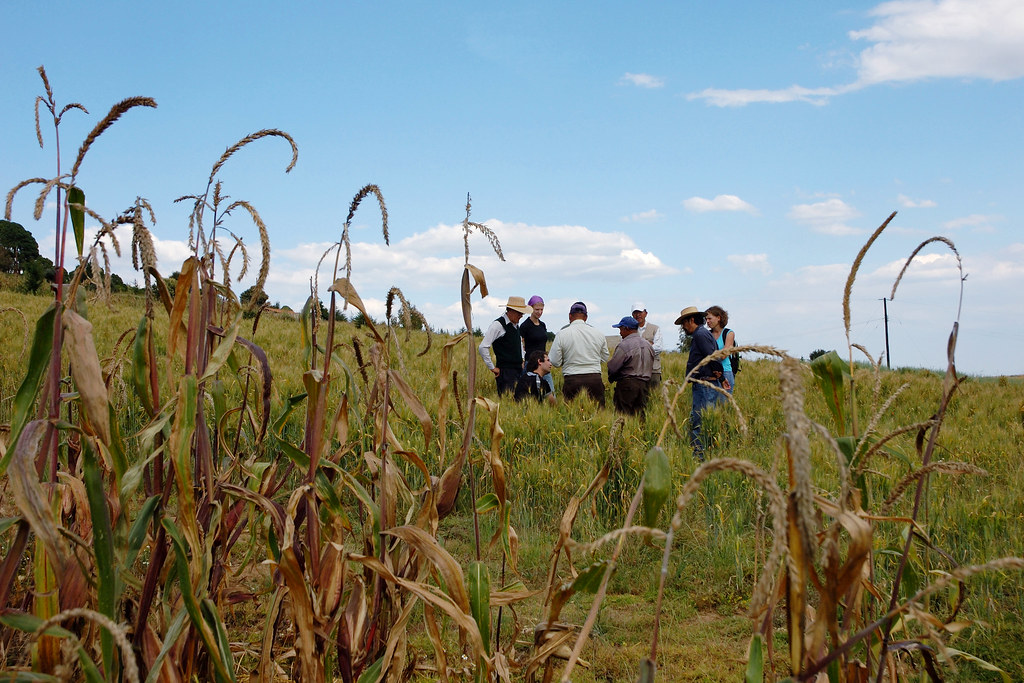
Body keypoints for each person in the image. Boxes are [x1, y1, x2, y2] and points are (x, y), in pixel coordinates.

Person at [675, 305, 725, 460]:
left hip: (705, 386)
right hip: (704, 385)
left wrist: (720, 376)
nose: (683, 327)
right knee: (701, 421)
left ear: (691, 320)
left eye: (684, 323)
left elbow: (712, 357)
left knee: (700, 422)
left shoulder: (700, 335)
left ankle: (699, 457)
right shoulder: (702, 334)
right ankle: (703, 455)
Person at [548, 301, 609, 406]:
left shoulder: (561, 334)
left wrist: (566, 361)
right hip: (594, 379)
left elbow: (554, 361)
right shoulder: (598, 334)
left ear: (570, 316)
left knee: (572, 413)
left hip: (572, 379)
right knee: (597, 412)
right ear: (586, 317)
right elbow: (605, 357)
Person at [478, 296, 531, 396]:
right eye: (519, 313)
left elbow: (519, 343)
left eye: (522, 313)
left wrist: (522, 359)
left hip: (518, 370)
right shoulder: (498, 325)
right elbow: (483, 347)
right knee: (507, 399)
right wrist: (492, 368)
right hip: (506, 372)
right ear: (510, 310)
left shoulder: (516, 325)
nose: (521, 316)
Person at [607, 316, 655, 415]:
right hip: (644, 385)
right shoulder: (648, 345)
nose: (620, 333)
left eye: (621, 329)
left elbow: (613, 368)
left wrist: (612, 378)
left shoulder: (624, 345)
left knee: (623, 415)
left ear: (627, 328)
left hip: (627, 386)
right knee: (640, 416)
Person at [520, 295, 554, 395]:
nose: (539, 312)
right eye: (537, 309)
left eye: (541, 309)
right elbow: (521, 344)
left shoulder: (543, 325)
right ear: (531, 308)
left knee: (550, 392)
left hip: (543, 363)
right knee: (530, 393)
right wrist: (522, 360)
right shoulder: (525, 326)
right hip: (530, 364)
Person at [631, 302, 664, 387]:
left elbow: (658, 348)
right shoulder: (630, 330)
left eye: (640, 312)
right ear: (632, 315)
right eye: (635, 313)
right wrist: (648, 344)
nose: (638, 315)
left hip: (653, 370)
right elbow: (628, 349)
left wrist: (638, 347)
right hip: (636, 372)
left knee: (654, 393)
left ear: (646, 313)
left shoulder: (655, 328)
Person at [705, 305, 736, 394]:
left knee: (724, 401)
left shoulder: (728, 333)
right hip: (710, 374)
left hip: (725, 372)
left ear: (718, 318)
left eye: (709, 318)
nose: (707, 321)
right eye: (706, 319)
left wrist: (709, 355)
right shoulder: (707, 334)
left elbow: (724, 355)